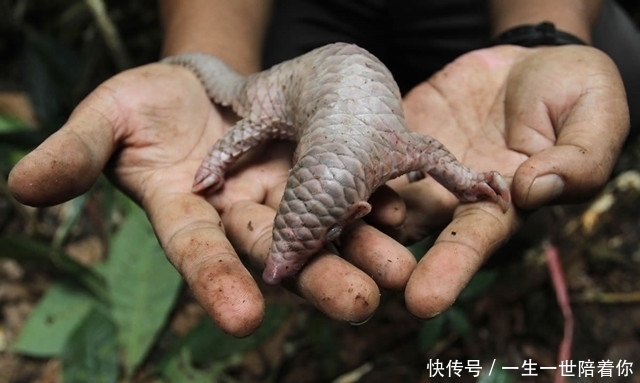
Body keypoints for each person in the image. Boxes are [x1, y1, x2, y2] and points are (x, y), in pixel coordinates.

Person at [7, 0, 636, 337]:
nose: (280, 264)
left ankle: (503, 263)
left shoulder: (392, 147)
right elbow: (434, 156)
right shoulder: (390, 146)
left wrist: (540, 37)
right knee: (256, 111)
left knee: (623, 54)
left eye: (297, 245)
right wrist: (219, 139)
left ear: (358, 209)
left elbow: (440, 158)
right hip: (301, 68)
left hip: (452, 24)